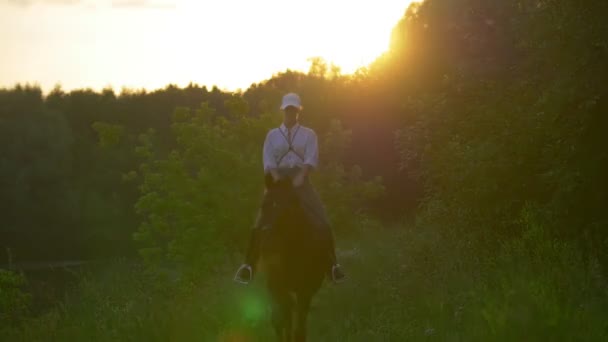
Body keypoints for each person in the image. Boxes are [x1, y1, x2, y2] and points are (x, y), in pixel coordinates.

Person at [234, 92, 346, 285]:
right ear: (283, 111)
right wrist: (277, 179)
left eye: (293, 109)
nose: (290, 113)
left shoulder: (309, 134)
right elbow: (268, 160)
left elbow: (311, 159)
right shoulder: (272, 135)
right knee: (261, 220)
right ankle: (248, 266)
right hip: (278, 180)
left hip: (301, 179)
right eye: (287, 109)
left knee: (320, 216)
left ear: (298, 111)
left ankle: (332, 265)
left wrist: (301, 177)